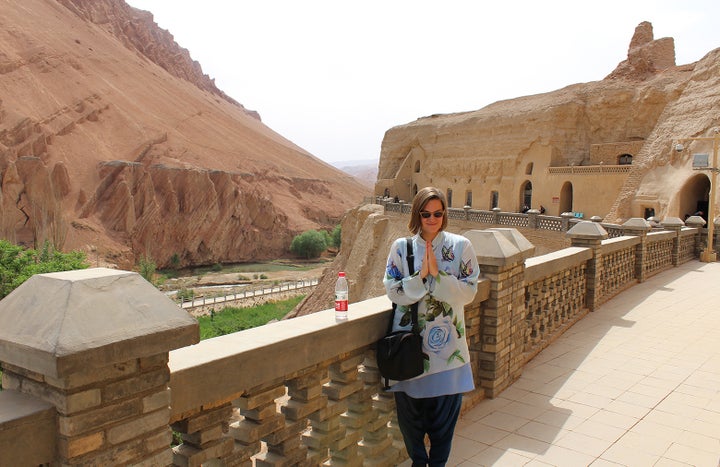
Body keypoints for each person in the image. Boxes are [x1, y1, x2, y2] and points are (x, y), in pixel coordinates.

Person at [383, 186, 480, 466]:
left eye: (438, 213)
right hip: (409, 353)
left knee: (443, 431)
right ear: (417, 214)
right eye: (426, 213)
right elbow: (393, 290)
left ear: (445, 214)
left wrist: (437, 277)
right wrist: (419, 277)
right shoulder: (401, 248)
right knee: (411, 429)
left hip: (449, 355)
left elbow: (469, 292)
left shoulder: (461, 247)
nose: (432, 218)